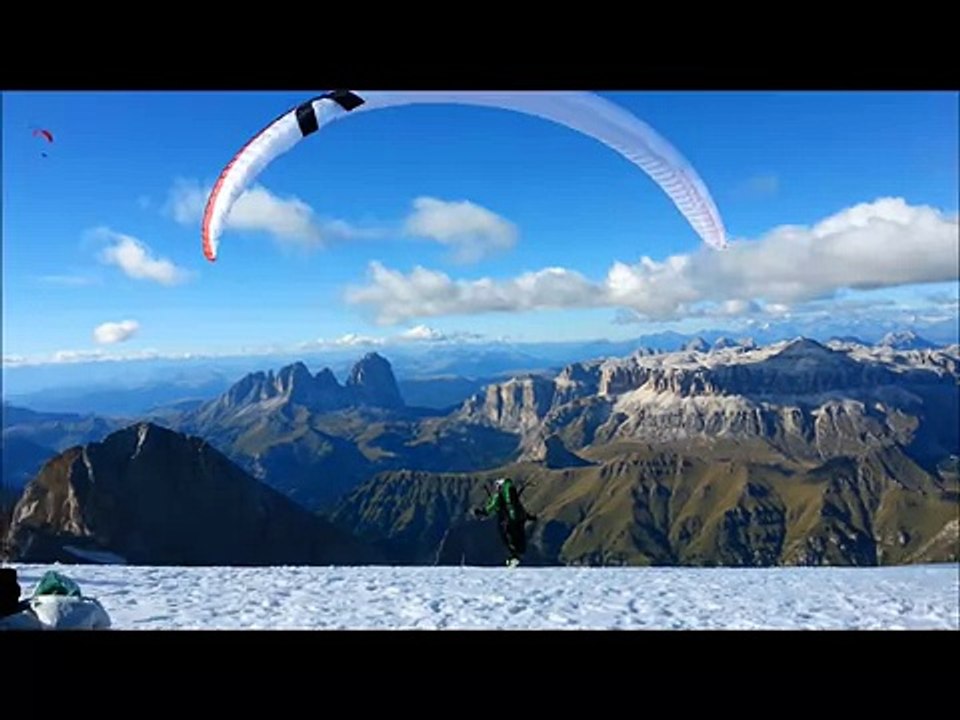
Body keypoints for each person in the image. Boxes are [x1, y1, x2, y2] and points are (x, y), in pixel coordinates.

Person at [474, 477, 537, 566]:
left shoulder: (499, 494)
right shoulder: (513, 499)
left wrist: (483, 511)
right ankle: (518, 558)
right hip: (519, 520)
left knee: (506, 539)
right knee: (518, 539)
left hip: (507, 521)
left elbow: (493, 505)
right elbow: (519, 508)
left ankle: (512, 559)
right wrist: (529, 517)